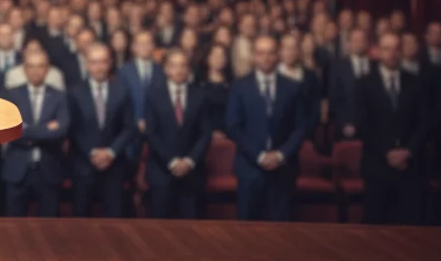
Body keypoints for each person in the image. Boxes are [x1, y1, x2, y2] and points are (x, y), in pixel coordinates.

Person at [226, 36, 310, 221]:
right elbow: (233, 127)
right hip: (250, 168)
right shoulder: (239, 87)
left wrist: (280, 155)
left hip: (283, 170)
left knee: (282, 230)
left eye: (270, 53)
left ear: (278, 55)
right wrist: (260, 156)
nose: (266, 58)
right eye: (261, 53)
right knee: (246, 229)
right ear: (254, 56)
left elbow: (301, 128)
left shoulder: (293, 88)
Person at [355, 33, 430, 225]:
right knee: (375, 225)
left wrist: (408, 151)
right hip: (377, 165)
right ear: (378, 52)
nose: (392, 54)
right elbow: (362, 124)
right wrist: (387, 152)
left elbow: (424, 122)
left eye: (396, 49)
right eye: (387, 49)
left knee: (409, 227)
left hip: (410, 166)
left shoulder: (416, 82)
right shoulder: (364, 83)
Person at [144, 49, 213, 219]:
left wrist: (189, 161)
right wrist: (172, 162)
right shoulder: (153, 95)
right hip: (162, 170)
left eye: (183, 65)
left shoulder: (200, 95)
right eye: (174, 66)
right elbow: (151, 134)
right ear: (166, 69)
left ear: (188, 68)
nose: (179, 70)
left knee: (192, 226)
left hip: (193, 172)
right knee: (160, 225)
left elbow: (205, 133)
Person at [67, 44, 135, 217]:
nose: (98, 67)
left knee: (114, 219)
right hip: (83, 164)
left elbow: (129, 127)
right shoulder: (74, 92)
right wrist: (92, 152)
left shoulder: (122, 90)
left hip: (114, 165)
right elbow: (73, 129)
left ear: (110, 63)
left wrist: (110, 153)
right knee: (80, 219)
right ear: (87, 64)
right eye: (94, 62)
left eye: (103, 62)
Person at [3, 49, 69, 217]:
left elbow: (61, 131)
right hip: (17, 170)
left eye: (40, 66)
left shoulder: (59, 96)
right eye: (31, 66)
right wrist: (45, 129)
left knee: (49, 227)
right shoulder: (11, 94)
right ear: (25, 69)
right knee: (14, 226)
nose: (35, 71)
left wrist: (26, 129)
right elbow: (10, 129)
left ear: (47, 69)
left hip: (49, 170)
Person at [328, 27, 370, 139]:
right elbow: (334, 99)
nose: (359, 44)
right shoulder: (338, 67)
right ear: (349, 44)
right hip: (347, 127)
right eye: (355, 40)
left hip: (372, 128)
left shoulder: (375, 66)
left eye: (361, 40)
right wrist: (344, 124)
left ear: (367, 43)